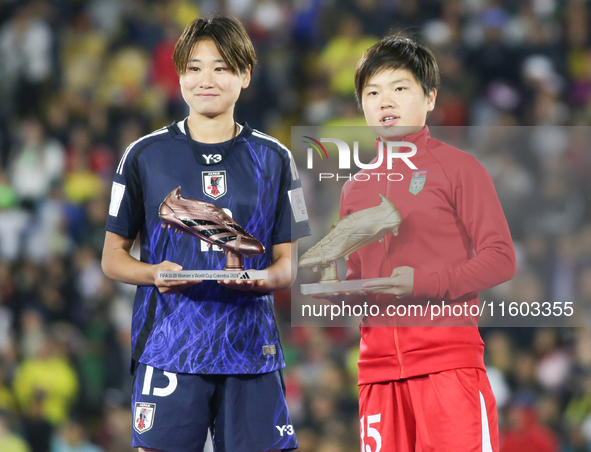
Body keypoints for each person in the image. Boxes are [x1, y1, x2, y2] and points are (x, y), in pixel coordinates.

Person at [101, 17, 311, 452]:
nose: (205, 80)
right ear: (179, 75)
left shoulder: (276, 158)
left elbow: (289, 262)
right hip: (170, 346)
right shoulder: (143, 155)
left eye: (221, 67)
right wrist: (155, 272)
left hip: (250, 349)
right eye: (194, 68)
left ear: (245, 74)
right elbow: (112, 258)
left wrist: (270, 278)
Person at [337, 34, 516, 451]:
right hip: (377, 375)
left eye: (400, 88)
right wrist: (338, 293)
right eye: (373, 92)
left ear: (430, 98)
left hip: (448, 366)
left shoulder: (459, 169)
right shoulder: (354, 190)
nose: (385, 101)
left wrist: (422, 281)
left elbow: (501, 258)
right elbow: (357, 279)